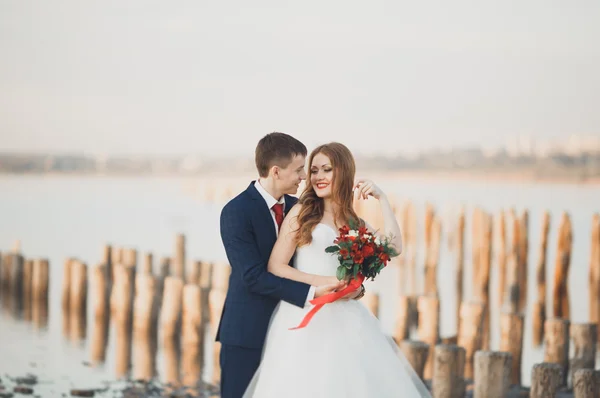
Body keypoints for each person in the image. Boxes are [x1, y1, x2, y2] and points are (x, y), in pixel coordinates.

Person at [242, 142, 431, 397]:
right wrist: (325, 283)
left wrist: (382, 198)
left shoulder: (353, 221)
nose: (318, 177)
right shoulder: (302, 212)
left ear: (343, 172)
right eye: (314, 170)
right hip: (305, 313)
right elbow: (276, 266)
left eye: (327, 170)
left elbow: (393, 247)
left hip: (347, 314)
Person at [218, 133, 364, 398]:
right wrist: (312, 293)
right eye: (299, 170)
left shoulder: (302, 208)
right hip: (248, 330)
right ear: (276, 171)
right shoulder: (236, 211)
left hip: (292, 330)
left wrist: (348, 285)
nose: (304, 177)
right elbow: (252, 276)